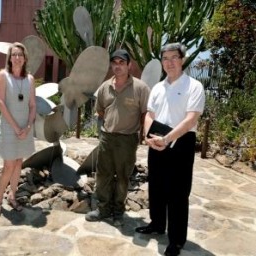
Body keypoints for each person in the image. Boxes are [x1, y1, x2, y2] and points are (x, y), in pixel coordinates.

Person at [135, 43, 205, 256]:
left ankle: (176, 240)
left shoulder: (194, 86)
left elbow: (191, 118)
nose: (169, 62)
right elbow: (149, 114)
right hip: (157, 142)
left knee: (178, 193)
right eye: (165, 58)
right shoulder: (157, 87)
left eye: (174, 57)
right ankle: (157, 224)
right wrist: (150, 137)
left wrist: (167, 139)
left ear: (182, 59)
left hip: (181, 144)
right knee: (156, 187)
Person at [85, 49, 150, 225]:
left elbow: (145, 114)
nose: (118, 66)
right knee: (103, 175)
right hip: (107, 138)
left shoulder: (140, 88)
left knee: (122, 177)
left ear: (129, 65)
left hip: (127, 140)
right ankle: (103, 209)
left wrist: (144, 136)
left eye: (122, 63)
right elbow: (100, 111)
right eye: (115, 62)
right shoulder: (105, 87)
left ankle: (118, 212)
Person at [0, 42, 36, 216]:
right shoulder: (4, 75)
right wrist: (17, 127)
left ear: (25, 59)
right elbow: (0, 102)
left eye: (20, 55)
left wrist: (28, 126)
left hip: (25, 127)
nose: (17, 58)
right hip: (9, 127)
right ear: (9, 58)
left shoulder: (30, 79)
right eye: (14, 55)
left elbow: (32, 105)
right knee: (8, 165)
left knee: (18, 163)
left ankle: (13, 196)